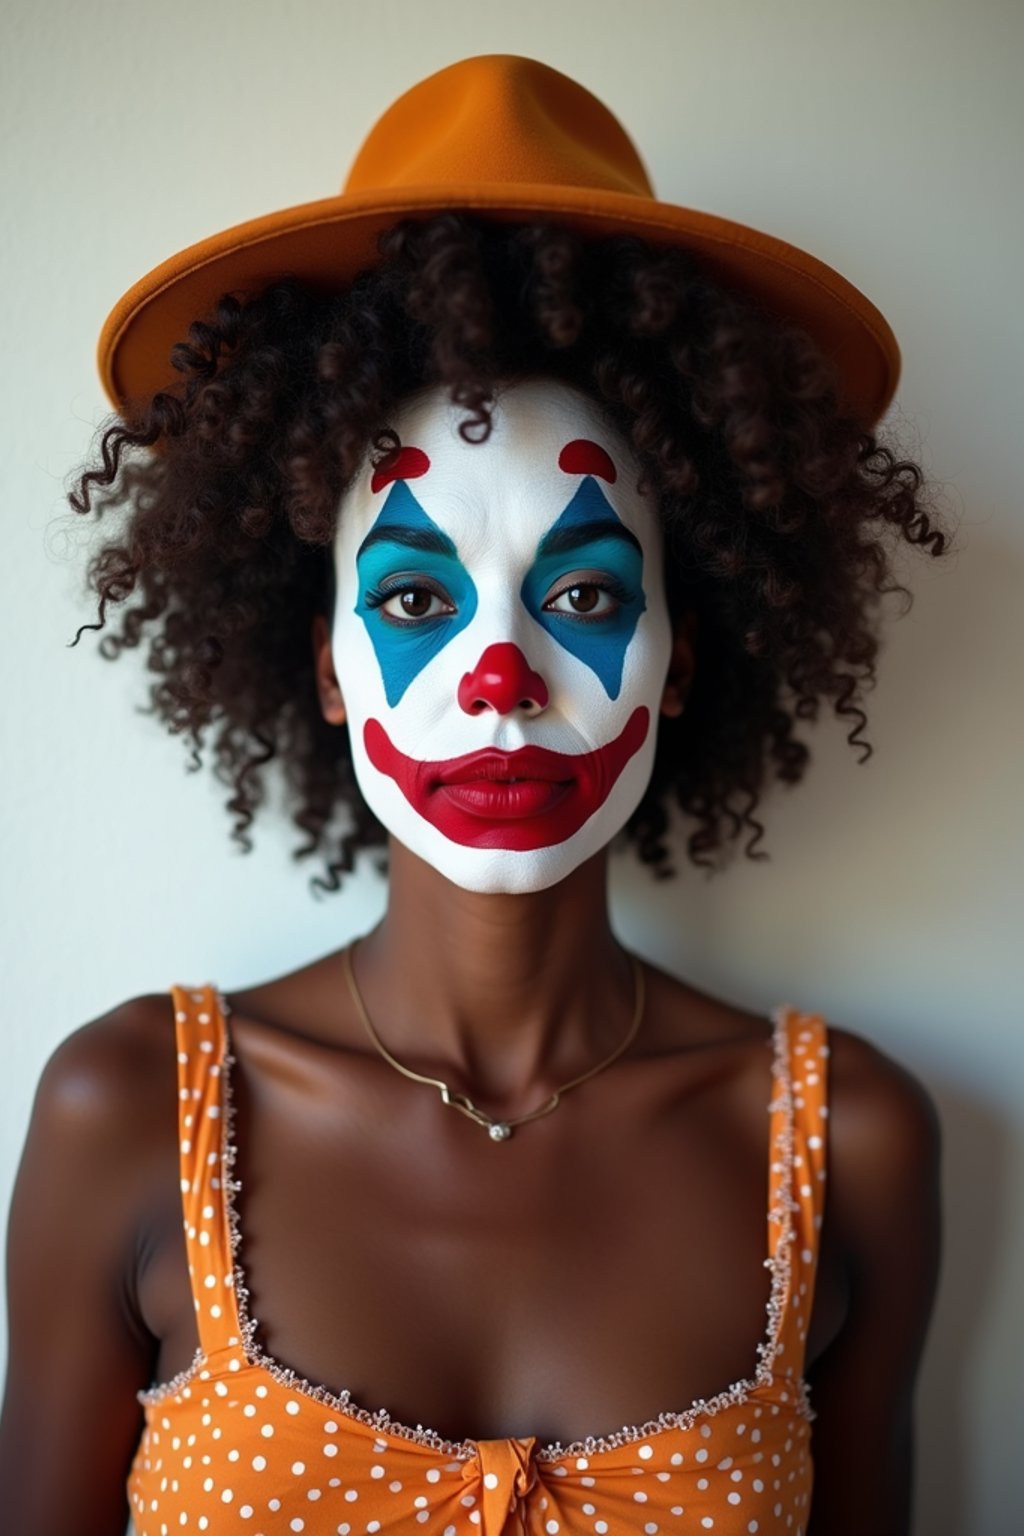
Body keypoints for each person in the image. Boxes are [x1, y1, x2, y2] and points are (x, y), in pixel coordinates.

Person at [0, 54, 944, 1536]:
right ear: (324, 666)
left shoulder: (848, 1141)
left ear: (680, 658)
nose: (500, 675)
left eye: (577, 586)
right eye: (418, 598)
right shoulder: (123, 1112)